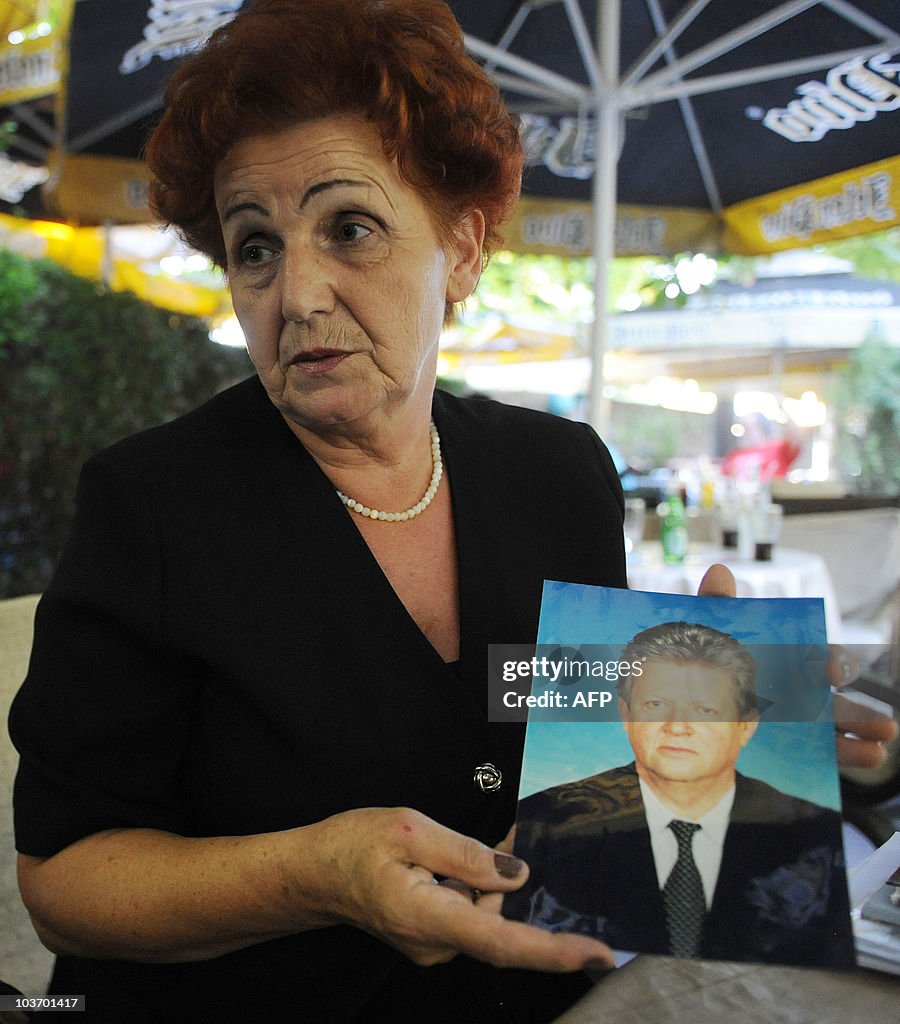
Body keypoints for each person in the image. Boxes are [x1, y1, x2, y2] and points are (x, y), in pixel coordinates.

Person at [6, 2, 892, 1022]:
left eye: (349, 228)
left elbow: (533, 718)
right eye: (255, 247)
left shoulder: (559, 473)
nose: (296, 292)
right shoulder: (154, 504)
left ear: (463, 250)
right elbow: (63, 879)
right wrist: (317, 873)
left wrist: (724, 717)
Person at [506, 622, 855, 968]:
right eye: (656, 704)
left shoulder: (810, 834)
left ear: (745, 725)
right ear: (625, 713)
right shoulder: (546, 822)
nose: (677, 726)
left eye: (705, 710)